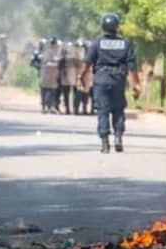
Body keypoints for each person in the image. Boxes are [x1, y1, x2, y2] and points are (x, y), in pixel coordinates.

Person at [80, 13, 142, 154]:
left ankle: (105, 143)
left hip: (101, 81)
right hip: (118, 81)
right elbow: (132, 66)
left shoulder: (97, 43)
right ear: (117, 26)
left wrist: (80, 77)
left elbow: (87, 62)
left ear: (103, 26)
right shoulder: (126, 44)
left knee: (102, 110)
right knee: (118, 109)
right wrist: (135, 84)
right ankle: (118, 138)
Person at [39, 37, 62, 114]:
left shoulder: (56, 52)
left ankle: (52, 107)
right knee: (45, 91)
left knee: (53, 92)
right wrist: (56, 63)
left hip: (53, 75)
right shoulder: (48, 52)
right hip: (46, 74)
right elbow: (46, 63)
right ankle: (44, 107)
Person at [73, 39, 93, 115]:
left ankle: (84, 109)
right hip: (79, 73)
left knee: (86, 93)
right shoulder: (77, 53)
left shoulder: (89, 54)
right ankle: (76, 109)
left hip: (87, 74)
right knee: (78, 92)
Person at [58, 38, 76, 114]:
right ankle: (69, 109)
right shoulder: (64, 58)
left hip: (70, 78)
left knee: (69, 94)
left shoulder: (73, 58)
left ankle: (71, 109)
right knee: (67, 94)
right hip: (67, 78)